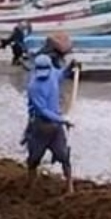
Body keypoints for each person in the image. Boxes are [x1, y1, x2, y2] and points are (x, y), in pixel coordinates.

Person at [22, 54, 75, 192]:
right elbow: (42, 110)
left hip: (56, 126)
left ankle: (69, 186)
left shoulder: (53, 74)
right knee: (34, 158)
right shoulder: (33, 86)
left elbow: (62, 74)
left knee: (63, 155)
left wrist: (71, 67)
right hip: (40, 125)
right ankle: (30, 184)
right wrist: (63, 120)